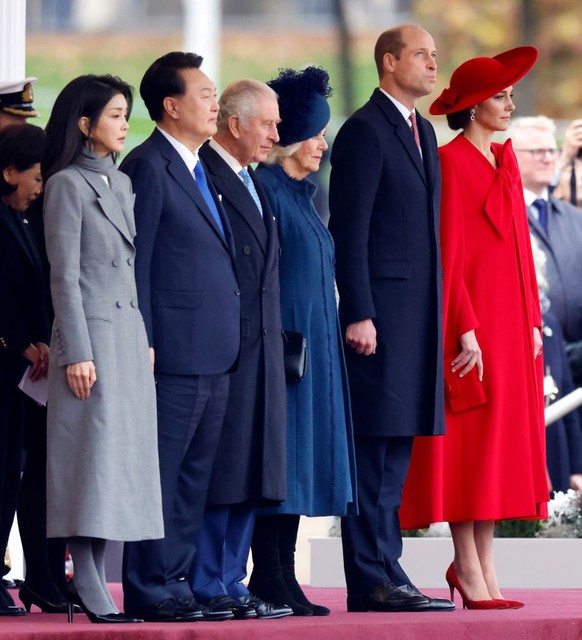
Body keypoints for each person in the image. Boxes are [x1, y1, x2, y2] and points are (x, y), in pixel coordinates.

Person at [399, 47, 548, 610]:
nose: (509, 104)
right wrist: (464, 328)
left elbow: (520, 254)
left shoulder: (503, 162)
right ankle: (467, 566)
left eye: (510, 96)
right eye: (500, 96)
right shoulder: (449, 162)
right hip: (472, 329)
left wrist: (533, 321)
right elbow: (447, 256)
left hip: (512, 329)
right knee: (470, 448)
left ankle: (484, 569)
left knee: (496, 452)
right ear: (472, 105)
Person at [328, 24, 452, 613]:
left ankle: (387, 568)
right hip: (379, 322)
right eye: (422, 56)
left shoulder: (421, 129)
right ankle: (372, 575)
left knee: (394, 451)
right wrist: (360, 312)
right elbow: (349, 230)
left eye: (434, 56)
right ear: (388, 61)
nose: (433, 65)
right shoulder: (363, 130)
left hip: (416, 318)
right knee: (374, 448)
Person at [119, 52, 241, 623]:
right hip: (170, 350)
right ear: (171, 105)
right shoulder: (148, 165)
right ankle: (149, 585)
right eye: (205, 94)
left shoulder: (198, 166)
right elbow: (136, 261)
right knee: (162, 475)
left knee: (193, 478)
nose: (215, 103)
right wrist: (141, 337)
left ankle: (179, 580)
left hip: (214, 350)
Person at [42, 74, 164, 623]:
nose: (123, 124)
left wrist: (145, 343)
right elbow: (64, 278)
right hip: (89, 340)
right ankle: (88, 583)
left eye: (124, 114)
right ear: (85, 125)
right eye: (115, 115)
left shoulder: (120, 183)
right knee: (88, 462)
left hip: (127, 339)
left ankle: (94, 581)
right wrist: (77, 352)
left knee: (115, 464)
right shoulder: (67, 184)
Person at [248, 65, 357, 617]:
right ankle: (266, 575)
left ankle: (282, 576)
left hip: (311, 351)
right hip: (284, 351)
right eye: (315, 133)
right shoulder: (266, 188)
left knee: (299, 462)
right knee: (280, 465)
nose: (322, 144)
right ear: (289, 136)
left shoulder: (302, 193)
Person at [188, 79, 292, 620]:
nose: (277, 134)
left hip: (262, 349)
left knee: (253, 470)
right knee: (223, 469)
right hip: (226, 350)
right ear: (235, 124)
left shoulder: (254, 180)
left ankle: (232, 579)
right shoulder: (204, 175)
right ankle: (209, 580)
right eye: (268, 123)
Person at [0, 123, 47, 617]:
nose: (40, 185)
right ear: (9, 172)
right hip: (6, 364)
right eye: (34, 176)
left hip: (17, 377)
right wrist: (19, 344)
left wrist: (37, 340)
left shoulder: (24, 220)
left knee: (9, 474)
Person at [509, 116, 582, 387]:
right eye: (536, 151)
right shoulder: (503, 215)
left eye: (552, 150)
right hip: (531, 358)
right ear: (512, 156)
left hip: (577, 360)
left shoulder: (575, 218)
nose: (547, 158)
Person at [530, 235, 582, 494]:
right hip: (523, 448)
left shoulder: (550, 325)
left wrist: (577, 468)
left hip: (556, 448)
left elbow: (568, 399)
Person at [553, 118, 582, 209]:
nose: (580, 174)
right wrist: (565, 156)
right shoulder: (546, 217)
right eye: (571, 170)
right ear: (556, 190)